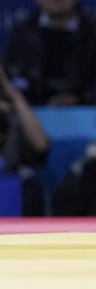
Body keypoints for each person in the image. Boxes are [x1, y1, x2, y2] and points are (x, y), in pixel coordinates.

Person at [4, 0, 96, 105]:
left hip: (87, 111)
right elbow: (12, 79)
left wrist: (79, 99)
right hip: (33, 111)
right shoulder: (22, 34)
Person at [0, 64, 50, 216]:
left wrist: (13, 93)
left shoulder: (14, 113)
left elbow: (41, 145)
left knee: (31, 185)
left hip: (11, 178)